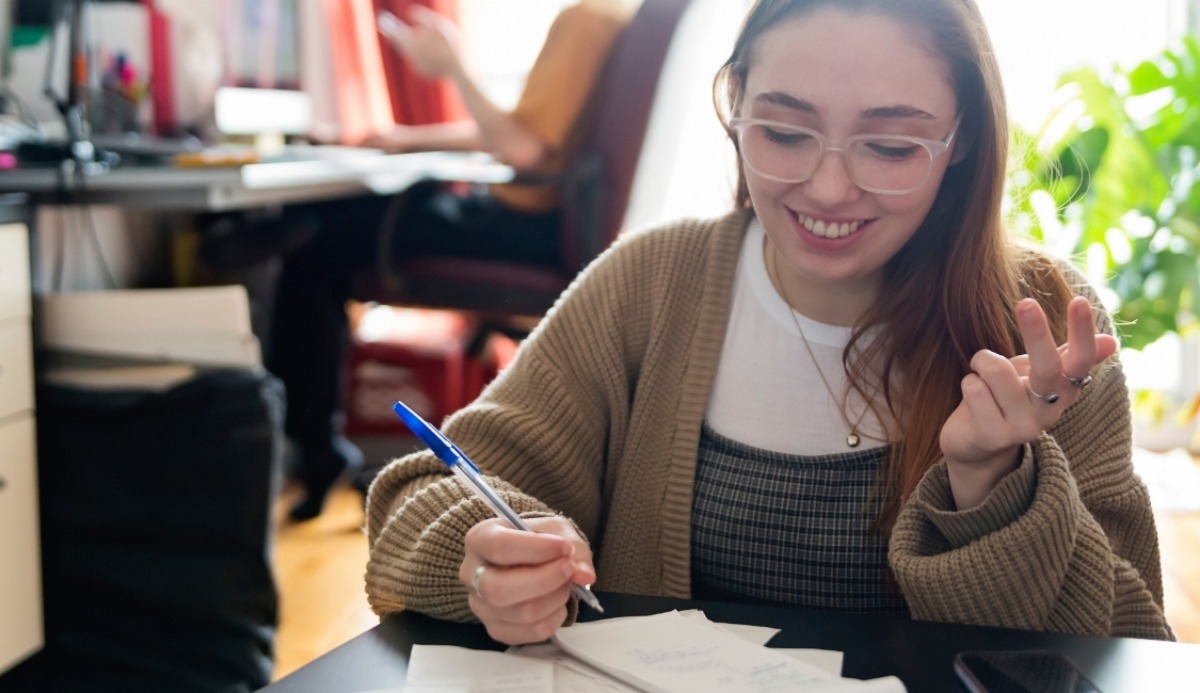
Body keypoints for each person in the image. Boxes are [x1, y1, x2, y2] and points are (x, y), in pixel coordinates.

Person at [362, 0, 1174, 645]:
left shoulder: (1038, 323)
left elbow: (1131, 642)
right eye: (784, 132)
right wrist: (483, 561)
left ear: (961, 141)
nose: (827, 188)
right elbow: (425, 495)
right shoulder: (649, 283)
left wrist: (996, 489)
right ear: (735, 105)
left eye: (889, 147)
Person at [223, 0, 637, 521]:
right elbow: (525, 136)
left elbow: (524, 150)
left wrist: (453, 65)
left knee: (319, 247)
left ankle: (310, 444)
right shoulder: (615, 16)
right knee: (330, 229)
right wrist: (406, 139)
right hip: (536, 220)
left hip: (518, 226)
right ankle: (278, 241)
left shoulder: (586, 19)